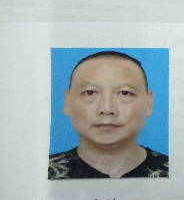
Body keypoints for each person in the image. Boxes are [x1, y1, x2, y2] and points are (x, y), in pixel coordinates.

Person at [48, 51, 168, 179]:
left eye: (125, 93)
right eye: (90, 92)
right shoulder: (40, 173)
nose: (106, 109)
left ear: (149, 103)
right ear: (67, 102)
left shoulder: (174, 171)